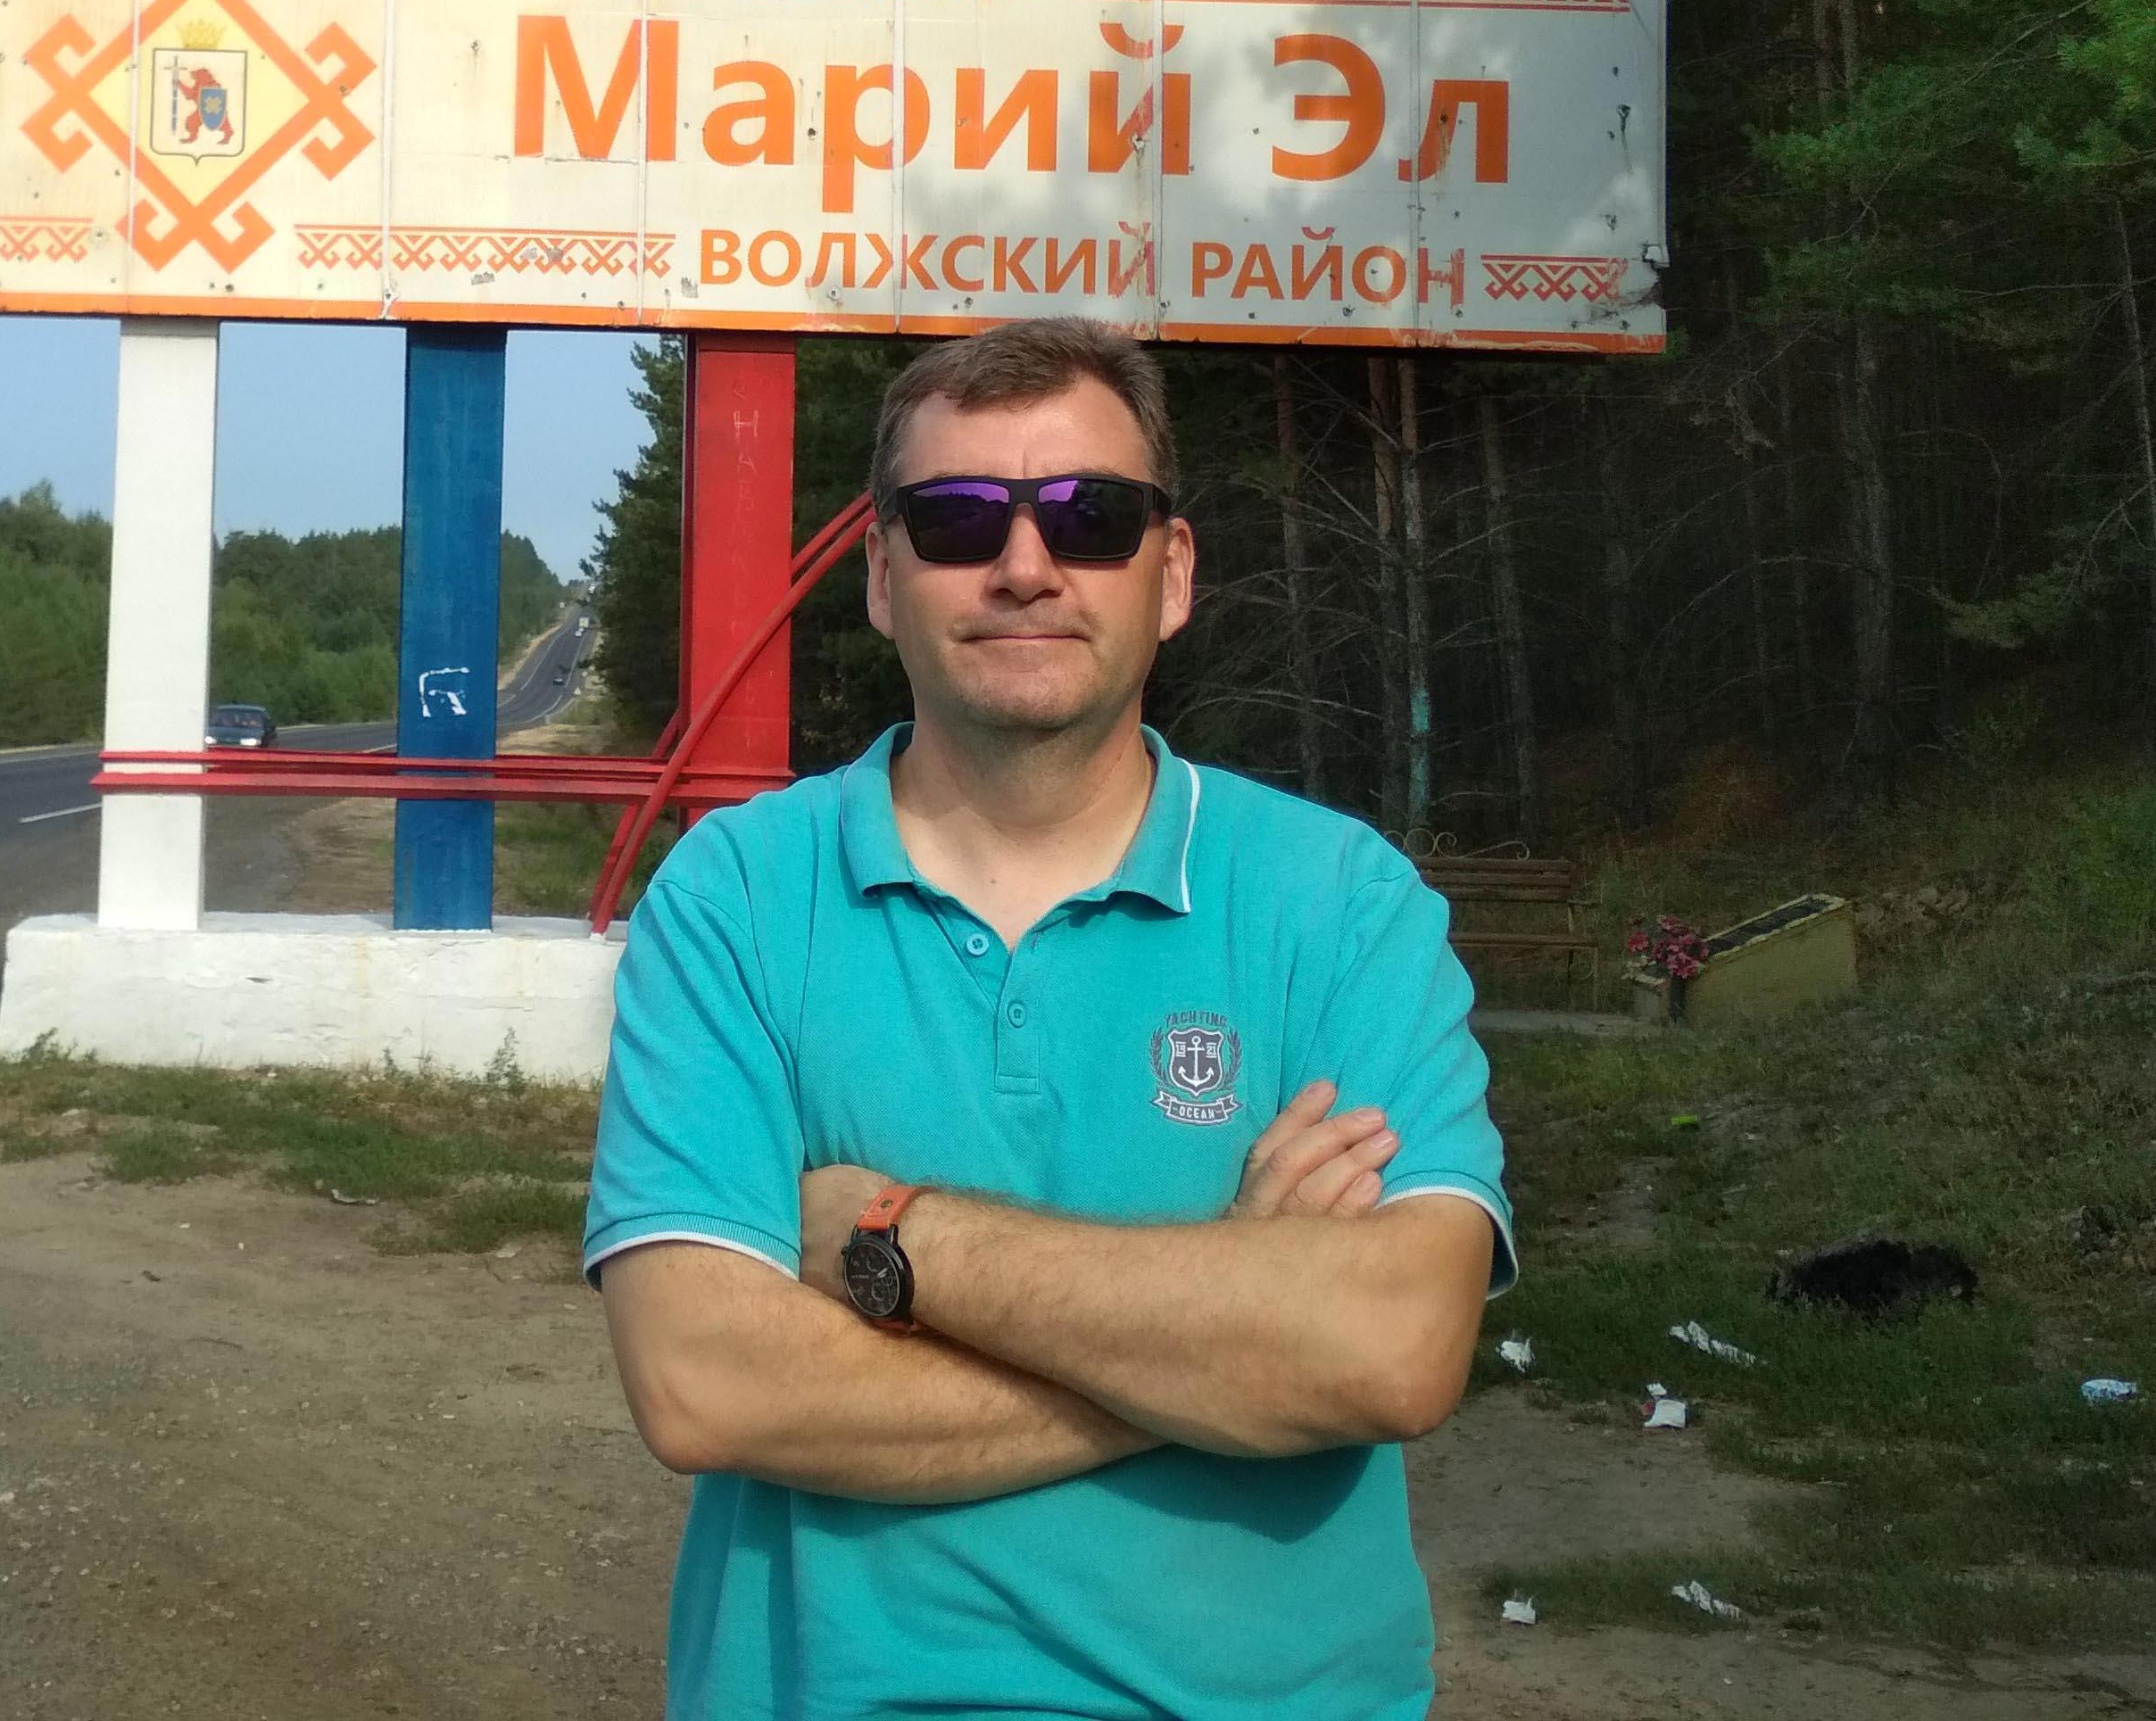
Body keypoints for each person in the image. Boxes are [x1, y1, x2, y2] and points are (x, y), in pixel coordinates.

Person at [585, 317, 1513, 1720]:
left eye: (1093, 517)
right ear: (883, 578)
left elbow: (1391, 1349)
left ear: (1172, 573)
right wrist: (1230, 1332)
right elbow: (707, 1384)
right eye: (959, 519)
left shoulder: (1341, 902)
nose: (1026, 565)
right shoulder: (737, 897)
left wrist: (902, 1246)